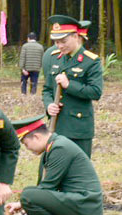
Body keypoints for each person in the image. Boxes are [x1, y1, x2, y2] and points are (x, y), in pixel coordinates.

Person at [7, 115, 103, 215]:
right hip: (75, 205)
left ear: (36, 137)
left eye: (26, 144)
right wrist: (23, 205)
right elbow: (42, 191)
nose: (27, 148)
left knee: (28, 194)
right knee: (29, 195)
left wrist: (24, 202)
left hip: (84, 208)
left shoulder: (59, 147)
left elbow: (46, 188)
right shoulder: (50, 149)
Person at [42, 14, 104, 158]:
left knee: (78, 173)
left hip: (78, 128)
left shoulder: (91, 61)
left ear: (76, 36)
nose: (60, 45)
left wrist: (69, 85)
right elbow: (47, 89)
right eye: (56, 42)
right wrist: (49, 104)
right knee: (50, 170)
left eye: (63, 41)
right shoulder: (54, 57)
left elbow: (95, 92)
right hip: (56, 127)